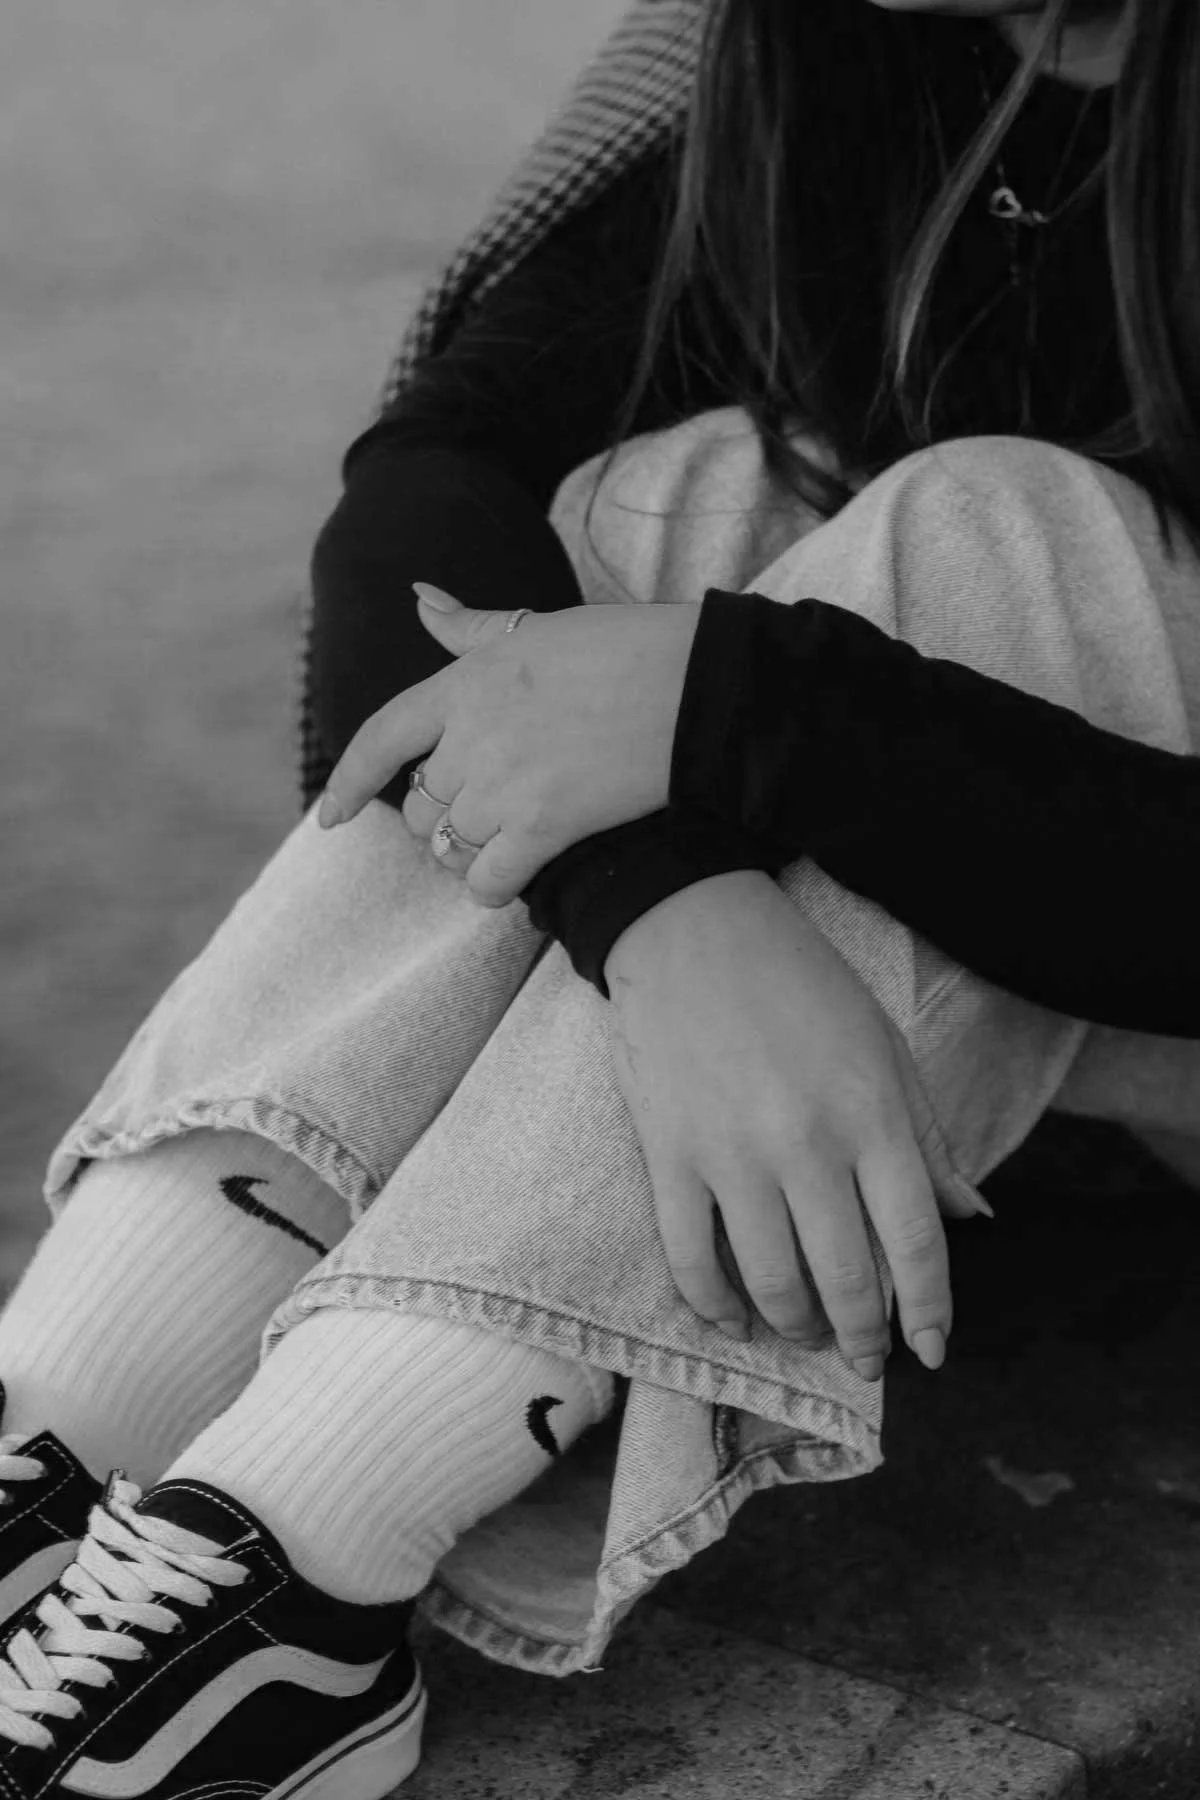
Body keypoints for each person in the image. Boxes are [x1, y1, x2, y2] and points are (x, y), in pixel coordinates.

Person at [0, 0, 1198, 1792]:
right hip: (886, 1133)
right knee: (656, 501)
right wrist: (668, 918)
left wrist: (741, 708)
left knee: (1000, 529)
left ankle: (309, 1544)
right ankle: (68, 1428)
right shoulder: (781, 57)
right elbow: (430, 491)